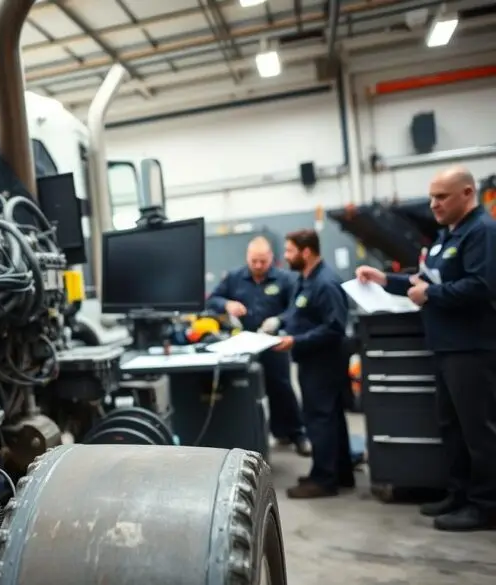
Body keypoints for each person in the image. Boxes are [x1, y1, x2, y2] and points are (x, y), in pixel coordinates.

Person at [356, 165, 496, 532]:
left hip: (472, 349)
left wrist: (430, 294)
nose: (433, 204)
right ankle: (460, 494)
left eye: (442, 197)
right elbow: (424, 279)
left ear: (468, 194)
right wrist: (385, 279)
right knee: (453, 427)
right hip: (446, 347)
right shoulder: (447, 235)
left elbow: (482, 286)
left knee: (479, 432)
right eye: (432, 196)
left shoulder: (482, 232)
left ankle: (487, 506)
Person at [206, 236, 311, 456]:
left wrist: (279, 320)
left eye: (263, 261)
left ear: (271, 257)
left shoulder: (284, 279)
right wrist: (227, 304)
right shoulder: (234, 278)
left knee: (281, 388)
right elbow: (212, 299)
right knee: (244, 390)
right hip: (244, 345)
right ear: (248, 257)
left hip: (272, 344)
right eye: (254, 261)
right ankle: (250, 436)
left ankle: (296, 433)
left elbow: (296, 307)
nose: (258, 265)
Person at [273, 229, 355, 498]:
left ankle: (324, 479)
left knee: (320, 419)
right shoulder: (305, 279)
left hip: (324, 363)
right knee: (330, 418)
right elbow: (298, 312)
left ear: (306, 252)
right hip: (311, 360)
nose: (286, 256)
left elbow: (334, 328)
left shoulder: (326, 283)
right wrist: (279, 322)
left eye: (290, 251)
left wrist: (295, 340)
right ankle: (340, 473)